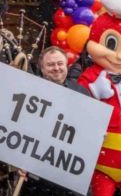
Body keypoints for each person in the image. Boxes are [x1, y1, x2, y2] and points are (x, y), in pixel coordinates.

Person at [23, 47, 88, 196]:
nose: (56, 68)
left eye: (60, 64)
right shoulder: (30, 92)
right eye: (51, 65)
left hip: (71, 173)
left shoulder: (81, 93)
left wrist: (96, 137)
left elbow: (87, 131)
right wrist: (20, 161)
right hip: (38, 174)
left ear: (67, 66)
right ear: (42, 68)